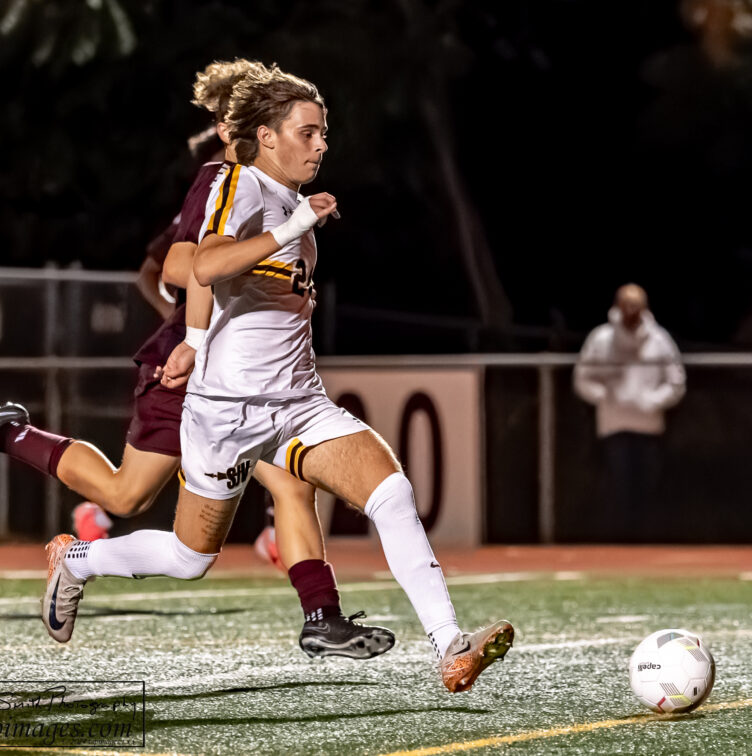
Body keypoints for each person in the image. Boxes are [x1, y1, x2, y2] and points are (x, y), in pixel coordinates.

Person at [43, 66, 514, 693]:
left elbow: (228, 288)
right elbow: (200, 264)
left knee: (391, 491)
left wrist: (195, 340)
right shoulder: (238, 185)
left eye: (324, 133)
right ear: (267, 137)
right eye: (309, 133)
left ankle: (451, 645)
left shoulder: (291, 200)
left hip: (297, 404)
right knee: (190, 560)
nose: (322, 145)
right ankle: (79, 560)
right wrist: (206, 332)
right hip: (227, 412)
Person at [0, 59, 394, 660]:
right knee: (126, 499)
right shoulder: (223, 182)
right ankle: (12, 435)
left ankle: (322, 617)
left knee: (290, 483)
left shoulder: (268, 188)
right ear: (242, 131)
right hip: (197, 372)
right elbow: (179, 266)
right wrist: (197, 324)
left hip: (242, 375)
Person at [573, 284, 686, 540]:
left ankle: (648, 545)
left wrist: (652, 401)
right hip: (613, 425)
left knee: (649, 489)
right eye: (626, 303)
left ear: (645, 307)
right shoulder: (601, 339)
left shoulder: (660, 340)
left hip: (649, 425)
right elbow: (582, 379)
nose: (631, 310)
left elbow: (676, 382)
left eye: (636, 304)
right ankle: (615, 546)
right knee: (617, 487)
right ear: (617, 305)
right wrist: (607, 397)